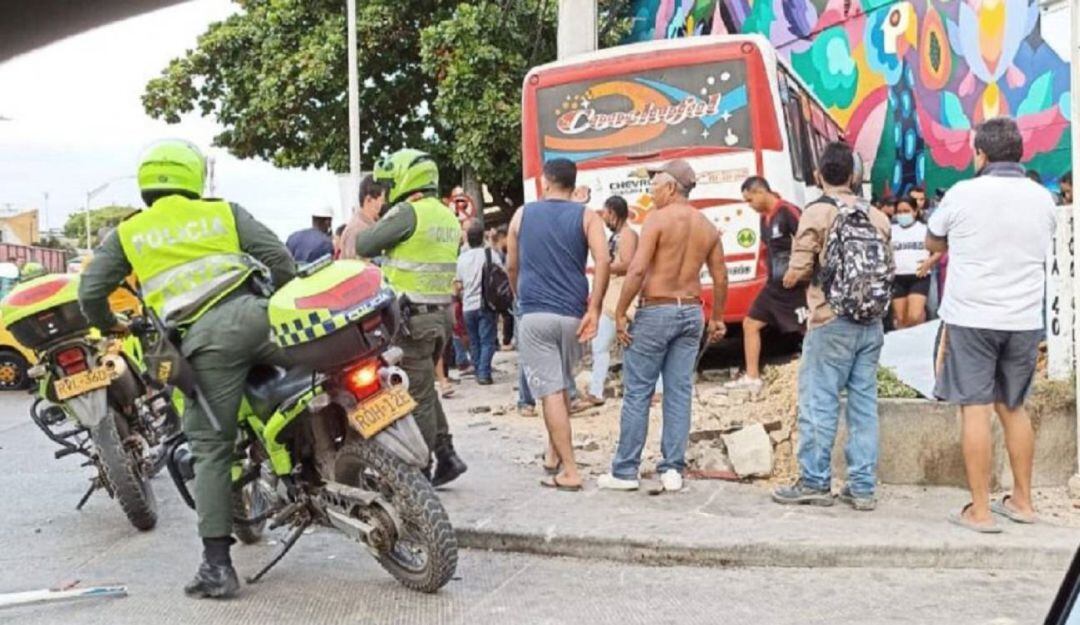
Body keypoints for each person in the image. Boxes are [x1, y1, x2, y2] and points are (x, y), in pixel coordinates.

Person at [78, 139, 296, 599]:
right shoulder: (223, 213)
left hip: (207, 342)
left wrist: (110, 324)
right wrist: (282, 301)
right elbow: (279, 259)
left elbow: (90, 294)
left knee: (211, 449)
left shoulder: (130, 232)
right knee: (307, 385)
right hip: (263, 317)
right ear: (193, 177)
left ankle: (217, 566)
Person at [926, 117, 1056, 532]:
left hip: (972, 317)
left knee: (976, 409)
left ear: (979, 154)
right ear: (1020, 153)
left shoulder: (964, 193)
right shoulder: (1043, 199)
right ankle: (1022, 501)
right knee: (1013, 407)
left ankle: (980, 511)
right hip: (1022, 320)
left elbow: (933, 239)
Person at [772, 141, 893, 511]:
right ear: (855, 177)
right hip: (871, 324)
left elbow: (797, 271)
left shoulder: (817, 213)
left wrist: (792, 278)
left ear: (818, 174)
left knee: (819, 401)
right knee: (863, 405)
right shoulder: (878, 217)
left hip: (830, 320)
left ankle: (814, 480)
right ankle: (861, 487)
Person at [597, 159, 728, 493]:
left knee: (638, 391)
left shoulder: (657, 220)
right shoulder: (707, 226)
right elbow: (720, 275)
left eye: (654, 185)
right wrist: (717, 318)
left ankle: (625, 471)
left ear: (671, 187)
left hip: (657, 309)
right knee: (679, 391)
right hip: (690, 313)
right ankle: (672, 469)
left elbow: (638, 271)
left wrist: (621, 310)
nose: (651, 190)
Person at [354, 148, 467, 488]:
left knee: (414, 396)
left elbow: (364, 243)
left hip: (410, 319)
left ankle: (420, 470)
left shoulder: (407, 212)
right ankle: (446, 453)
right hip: (440, 316)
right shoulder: (447, 216)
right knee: (424, 387)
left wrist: (385, 216)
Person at [507, 158, 610, 492]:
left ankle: (570, 470)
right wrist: (595, 308)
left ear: (546, 181)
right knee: (561, 385)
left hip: (535, 315)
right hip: (573, 316)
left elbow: (511, 265)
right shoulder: (587, 216)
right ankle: (553, 454)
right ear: (573, 183)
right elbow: (604, 260)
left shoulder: (523, 215)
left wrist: (518, 296)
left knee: (550, 393)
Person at [725, 176, 807, 394]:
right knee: (750, 323)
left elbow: (808, 242)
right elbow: (766, 249)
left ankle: (821, 371)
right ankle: (752, 376)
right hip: (773, 286)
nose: (749, 206)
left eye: (750, 200)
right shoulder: (764, 219)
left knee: (807, 329)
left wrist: (799, 270)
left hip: (795, 285)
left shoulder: (788, 211)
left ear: (761, 192)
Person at [585, 195, 658, 406]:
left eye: (605, 213)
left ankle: (654, 389)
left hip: (621, 295)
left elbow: (627, 264)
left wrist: (602, 267)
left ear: (613, 214)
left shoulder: (627, 235)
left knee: (632, 346)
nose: (603, 217)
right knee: (606, 345)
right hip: (614, 296)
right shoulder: (619, 235)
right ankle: (597, 391)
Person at [455, 221, 500, 385]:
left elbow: (458, 284)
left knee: (474, 341)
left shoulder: (461, 259)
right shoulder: (490, 255)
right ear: (482, 237)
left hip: (468, 306)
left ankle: (478, 369)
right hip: (486, 304)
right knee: (488, 340)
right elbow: (500, 275)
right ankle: (484, 373)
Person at [890, 196, 941, 329]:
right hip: (897, 277)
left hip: (919, 276)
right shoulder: (891, 230)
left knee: (914, 315)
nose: (902, 214)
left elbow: (940, 249)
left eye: (906, 211)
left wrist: (929, 263)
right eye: (899, 212)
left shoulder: (924, 229)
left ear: (915, 211)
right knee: (900, 318)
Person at [339, 175, 386, 261]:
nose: (383, 204)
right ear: (368, 199)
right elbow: (353, 266)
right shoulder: (355, 230)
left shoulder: (373, 223)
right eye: (381, 200)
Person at [492, 225, 515, 350]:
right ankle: (506, 341)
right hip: (505, 290)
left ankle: (505, 341)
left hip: (504, 290)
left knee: (506, 315)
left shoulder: (506, 251)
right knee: (508, 315)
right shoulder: (500, 253)